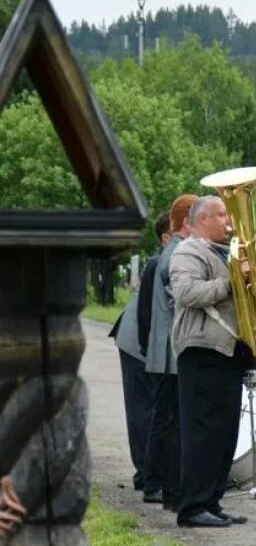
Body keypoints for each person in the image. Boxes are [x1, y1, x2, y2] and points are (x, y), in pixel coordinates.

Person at [169, 195, 255, 529]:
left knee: (223, 432)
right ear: (202, 218)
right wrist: (233, 283)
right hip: (202, 350)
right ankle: (192, 507)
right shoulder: (189, 251)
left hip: (227, 350)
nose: (228, 220)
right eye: (221, 214)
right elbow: (187, 293)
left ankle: (212, 501)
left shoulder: (223, 251)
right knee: (203, 432)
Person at [109, 210, 170, 497]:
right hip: (136, 340)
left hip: (148, 339)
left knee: (153, 407)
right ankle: (145, 474)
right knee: (143, 408)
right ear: (166, 236)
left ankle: (152, 471)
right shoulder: (165, 259)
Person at [143, 194, 196, 512]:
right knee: (168, 420)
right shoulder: (176, 251)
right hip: (169, 353)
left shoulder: (174, 249)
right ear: (188, 221)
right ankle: (160, 484)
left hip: (168, 351)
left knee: (167, 419)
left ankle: (159, 483)